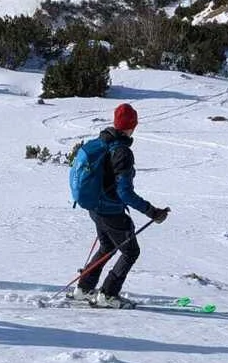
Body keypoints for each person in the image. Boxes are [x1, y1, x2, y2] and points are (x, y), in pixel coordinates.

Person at [69, 102, 169, 308]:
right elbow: (125, 193)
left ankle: (84, 288)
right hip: (109, 210)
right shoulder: (121, 151)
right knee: (131, 251)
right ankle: (108, 294)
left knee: (107, 246)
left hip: (94, 207)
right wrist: (152, 212)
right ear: (132, 125)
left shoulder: (102, 141)